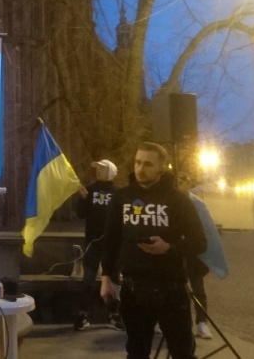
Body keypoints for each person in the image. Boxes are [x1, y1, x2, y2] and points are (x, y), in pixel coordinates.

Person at [100, 142, 206, 359]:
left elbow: (200, 242)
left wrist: (169, 248)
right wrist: (106, 277)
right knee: (137, 353)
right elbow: (111, 240)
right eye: (138, 162)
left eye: (148, 164)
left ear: (162, 167)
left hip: (171, 290)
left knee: (182, 352)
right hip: (133, 290)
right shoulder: (122, 198)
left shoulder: (178, 200)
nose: (140, 169)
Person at [176, 174, 229, 340]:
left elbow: (208, 230)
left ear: (188, 182)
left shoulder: (197, 203)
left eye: (181, 181)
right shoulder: (170, 200)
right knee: (177, 290)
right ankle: (180, 324)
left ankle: (201, 322)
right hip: (176, 253)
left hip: (194, 254)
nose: (177, 185)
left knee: (198, 289)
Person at [74, 159, 123, 331]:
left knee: (114, 280)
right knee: (87, 279)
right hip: (92, 244)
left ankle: (114, 316)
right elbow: (81, 214)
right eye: (98, 168)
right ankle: (82, 316)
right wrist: (83, 199)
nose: (98, 171)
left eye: (102, 168)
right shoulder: (91, 189)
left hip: (113, 245)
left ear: (110, 171)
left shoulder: (119, 192)